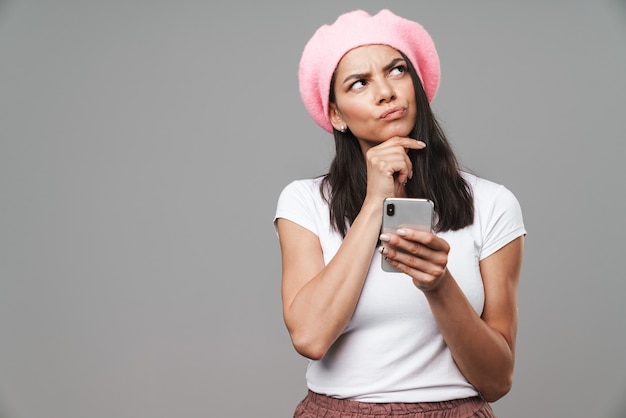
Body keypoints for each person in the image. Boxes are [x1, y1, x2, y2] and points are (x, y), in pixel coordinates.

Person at [273, 9, 526, 418]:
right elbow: (310, 337)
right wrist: (375, 204)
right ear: (336, 115)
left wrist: (439, 285)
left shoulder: (493, 203)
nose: (386, 92)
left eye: (396, 70)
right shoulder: (305, 201)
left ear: (418, 84)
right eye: (359, 83)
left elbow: (497, 381)